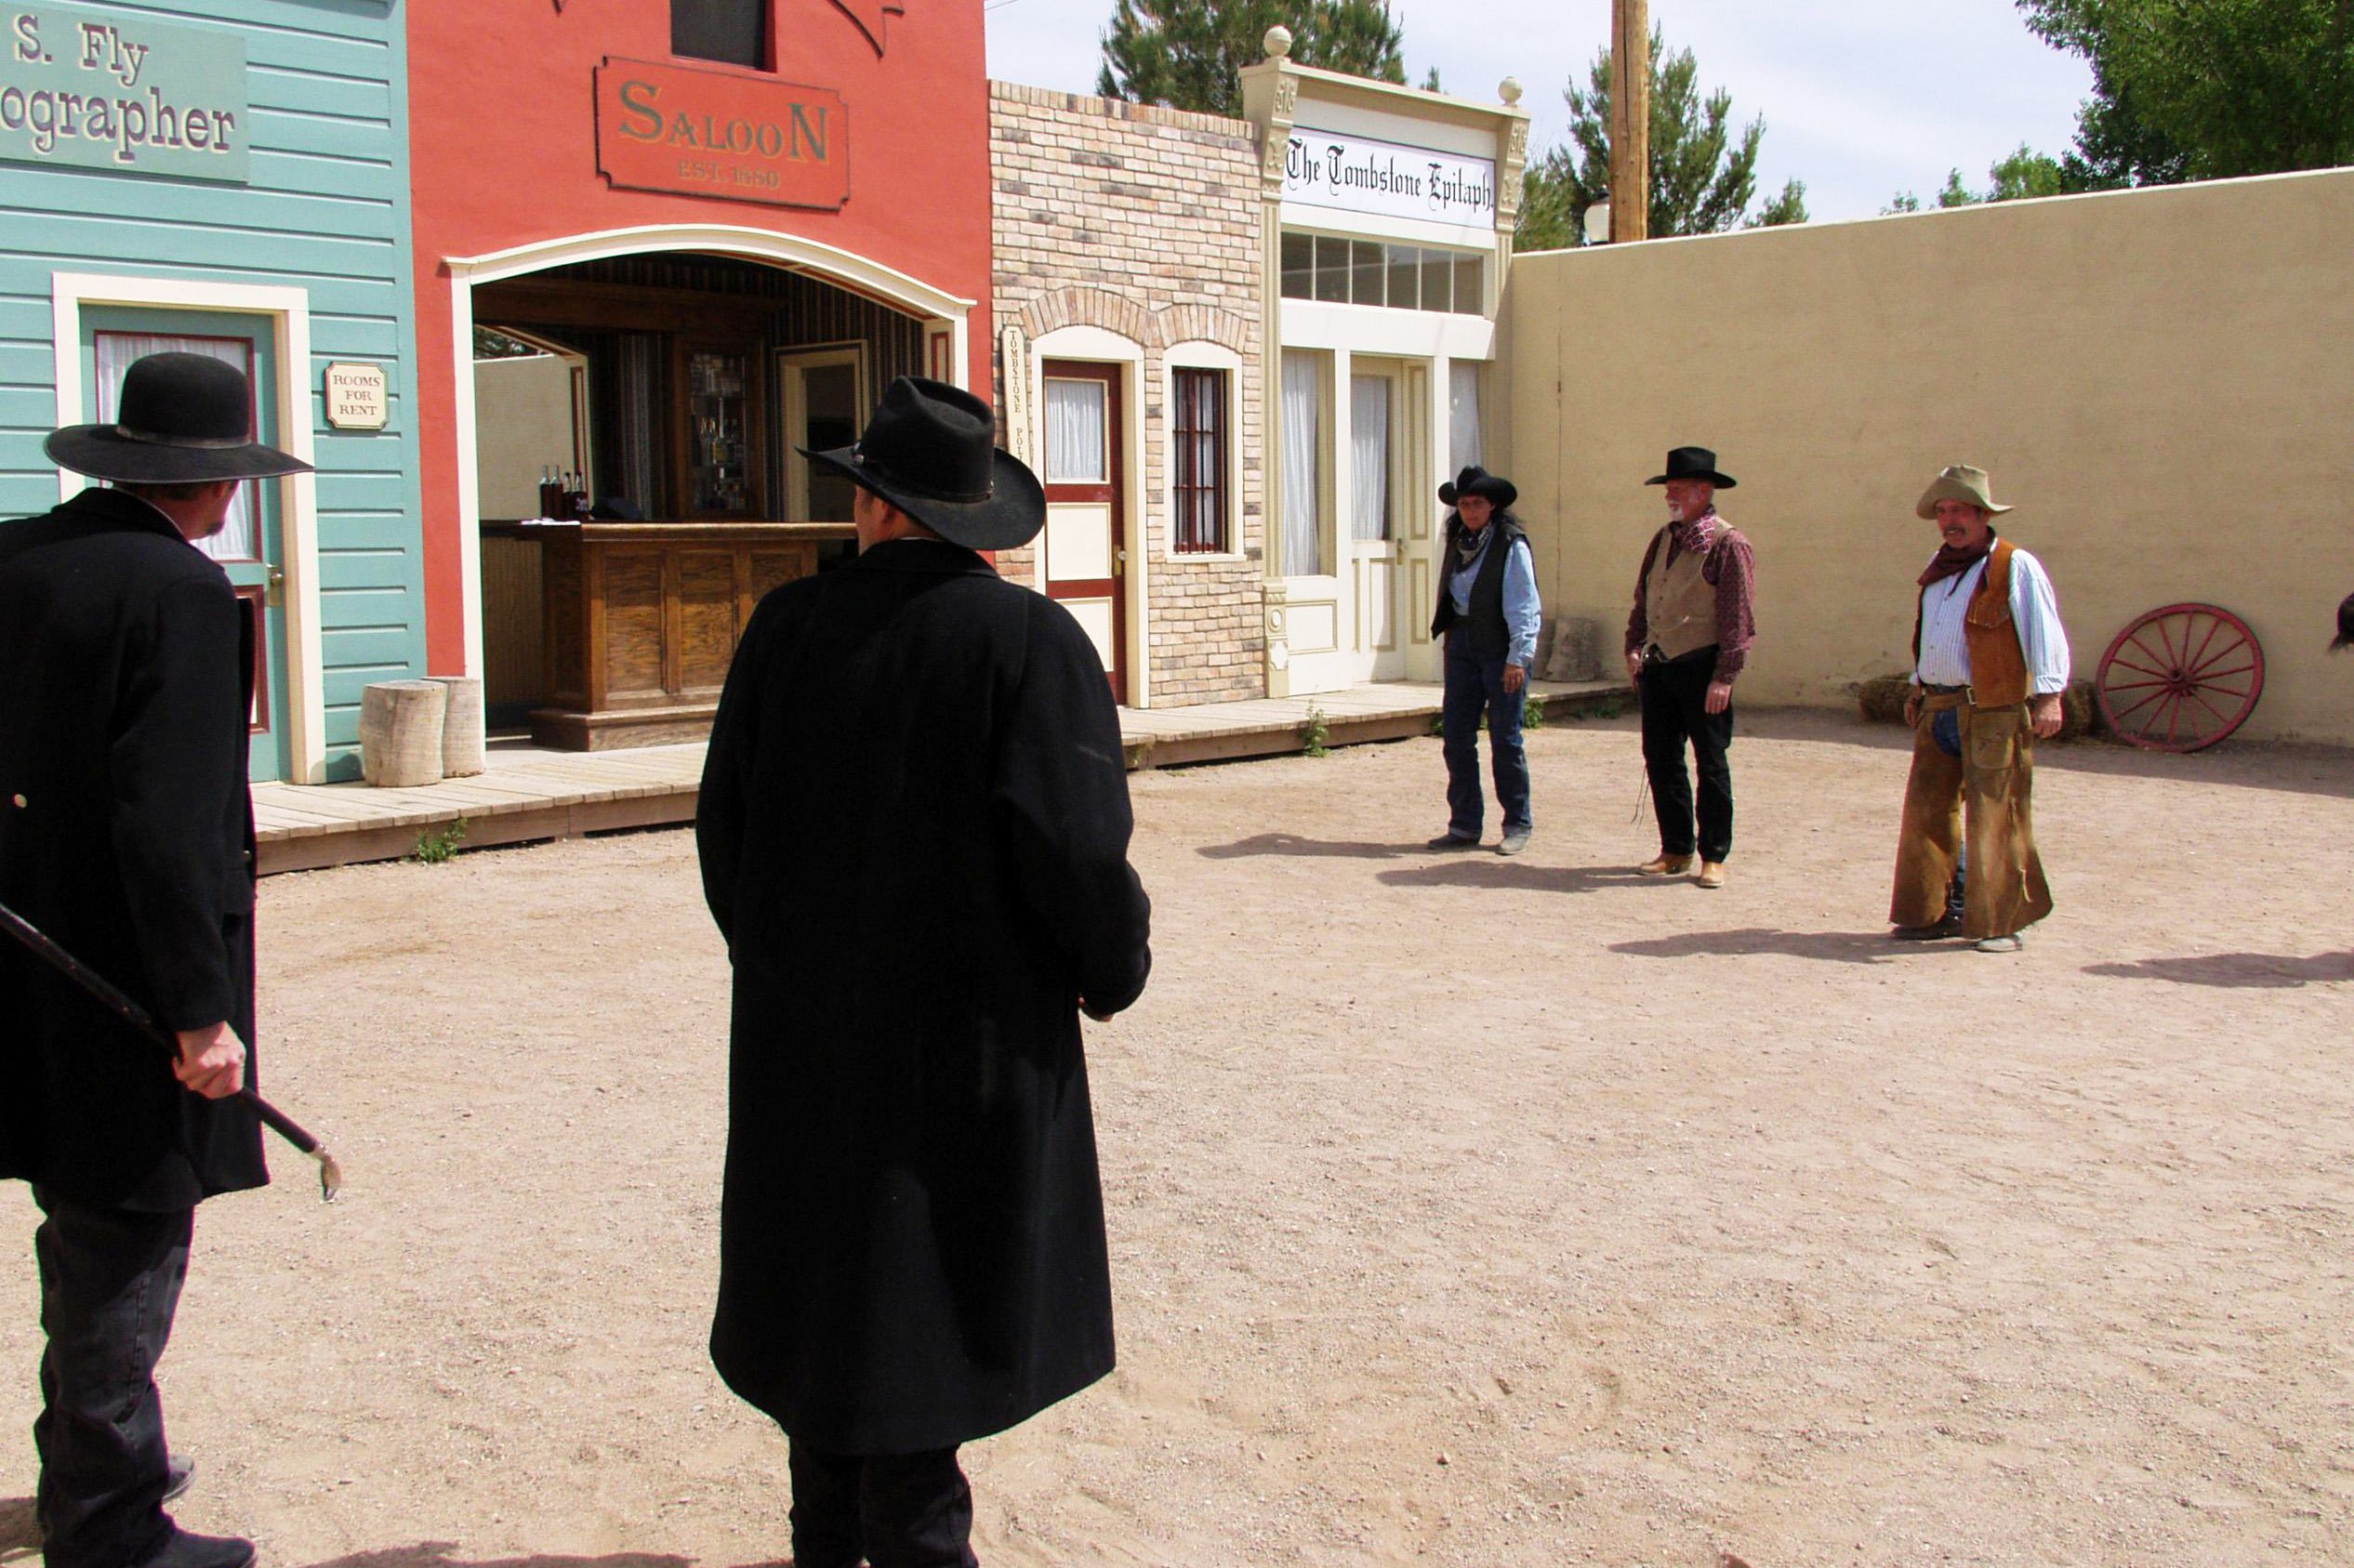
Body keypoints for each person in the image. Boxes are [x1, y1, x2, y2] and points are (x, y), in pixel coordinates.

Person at [695, 376, 1153, 1568]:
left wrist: (788, 962)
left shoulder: (785, 629)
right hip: (967, 1052)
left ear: (880, 508)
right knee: (916, 1335)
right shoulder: (1029, 643)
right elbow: (1080, 856)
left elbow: (723, 835)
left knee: (832, 1319)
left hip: (808, 1042)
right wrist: (1112, 971)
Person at [1, 352, 311, 1568]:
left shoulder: (14, 557)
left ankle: (92, 1462)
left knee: (78, 1226)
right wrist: (200, 1012)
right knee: (126, 1234)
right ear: (217, 483)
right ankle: (110, 1522)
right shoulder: (178, 591)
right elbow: (169, 824)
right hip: (121, 982)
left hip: (25, 957)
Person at [1888, 465, 2070, 954]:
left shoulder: (2014, 565)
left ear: (1983, 514)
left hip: (1992, 710)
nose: (1950, 520)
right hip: (1939, 706)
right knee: (1928, 815)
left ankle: (2001, 921)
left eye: (1960, 511)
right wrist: (1916, 688)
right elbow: (1934, 636)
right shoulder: (1939, 567)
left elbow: (2042, 630)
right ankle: (1933, 912)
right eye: (1943, 511)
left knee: (1996, 815)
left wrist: (2050, 694)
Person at [1622, 446, 1757, 889]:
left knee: (1711, 761)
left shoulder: (1728, 543)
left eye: (1678, 489)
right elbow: (1645, 595)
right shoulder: (1664, 538)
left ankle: (1713, 855)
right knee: (1661, 759)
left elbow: (1738, 616)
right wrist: (1634, 643)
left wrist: (1726, 676)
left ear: (1704, 491)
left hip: (1702, 665)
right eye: (1669, 489)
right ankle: (1675, 847)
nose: (1670, 497)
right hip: (1661, 664)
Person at [1427, 466, 1541, 855]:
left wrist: (1518, 657)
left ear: (1492, 506)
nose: (1469, 510)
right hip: (1462, 645)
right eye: (1463, 504)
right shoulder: (1458, 539)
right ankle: (1464, 824)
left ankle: (1517, 822)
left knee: (1505, 738)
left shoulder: (1511, 543)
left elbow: (1524, 603)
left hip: (1500, 649)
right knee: (1457, 736)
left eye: (1476, 504)